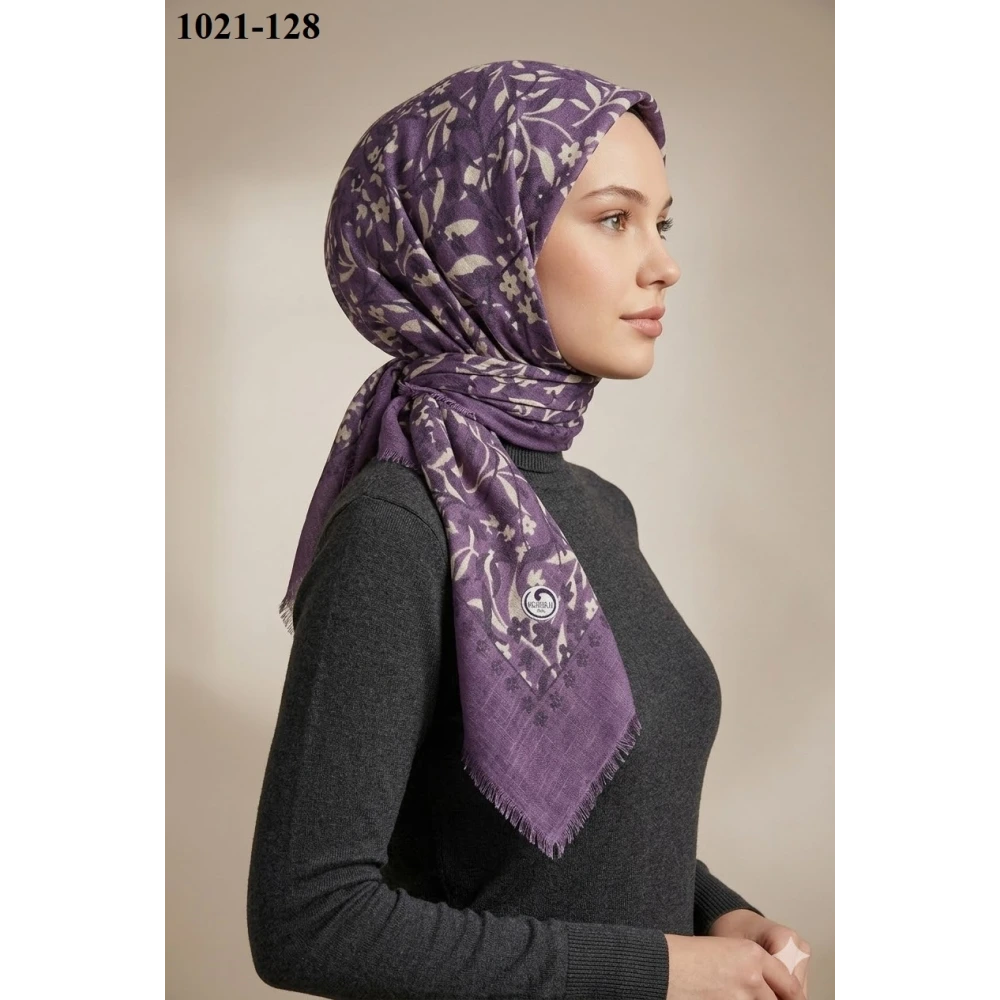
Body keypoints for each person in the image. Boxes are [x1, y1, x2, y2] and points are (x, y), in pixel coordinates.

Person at [247, 58, 811, 1000]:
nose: (664, 263)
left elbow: (572, 832)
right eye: (614, 219)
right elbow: (310, 921)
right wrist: (659, 969)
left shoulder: (597, 508)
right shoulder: (401, 523)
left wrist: (715, 910)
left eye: (662, 224)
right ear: (482, 241)